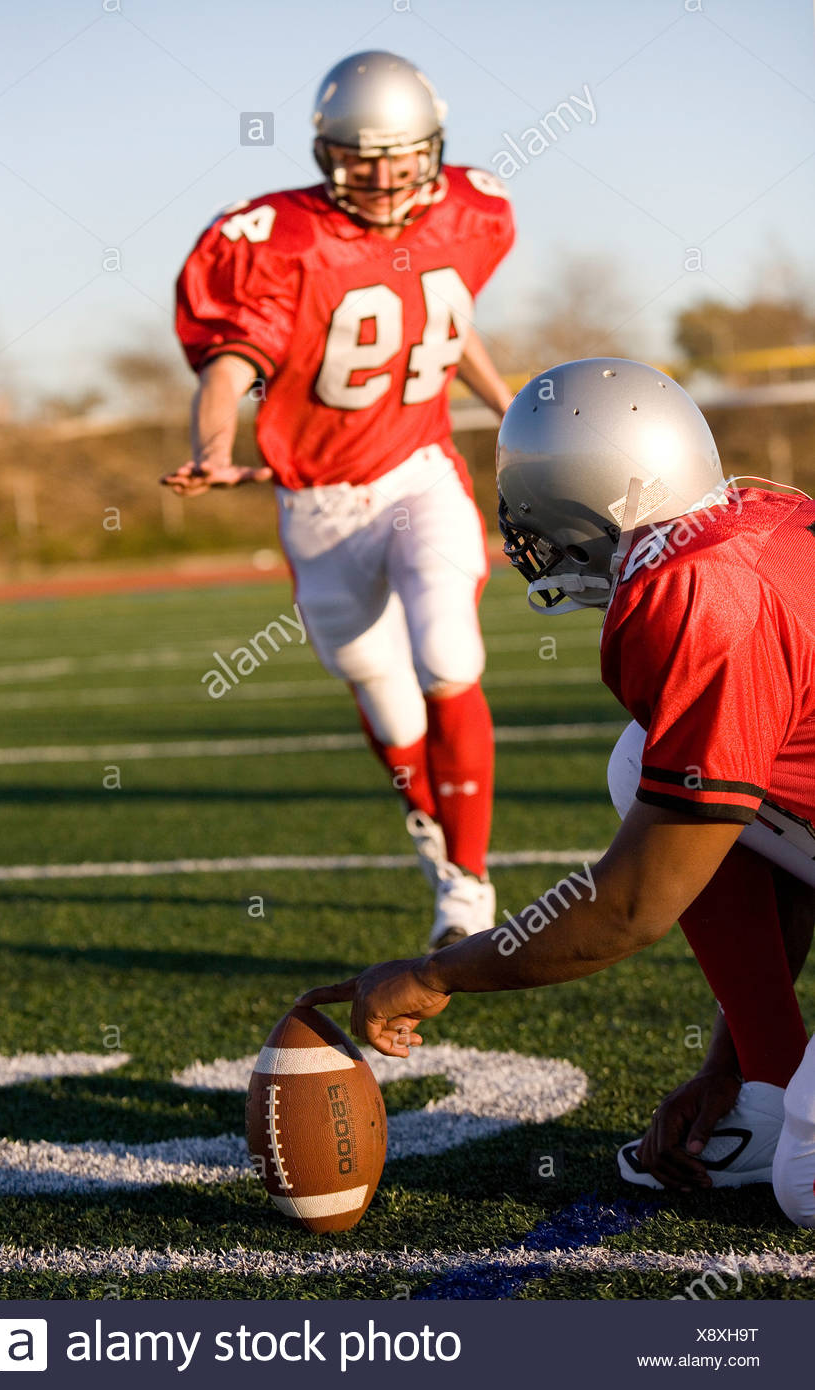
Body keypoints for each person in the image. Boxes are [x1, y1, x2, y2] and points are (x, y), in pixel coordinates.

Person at [300, 356, 815, 1228]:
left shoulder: (694, 593)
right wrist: (736, 1067)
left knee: (808, 1192)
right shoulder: (759, 517)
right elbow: (781, 848)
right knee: (643, 762)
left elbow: (631, 907)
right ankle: (773, 1084)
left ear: (588, 496)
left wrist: (437, 973)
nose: (523, 530)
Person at [164, 50, 515, 949]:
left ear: (433, 146)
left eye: (400, 154)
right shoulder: (281, 239)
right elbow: (230, 364)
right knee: (388, 699)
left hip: (420, 472)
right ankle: (435, 836)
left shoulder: (472, 212)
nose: (384, 174)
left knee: (449, 655)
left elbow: (448, 323)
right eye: (361, 157)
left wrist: (514, 413)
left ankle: (469, 887)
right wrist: (214, 445)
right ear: (327, 153)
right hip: (319, 501)